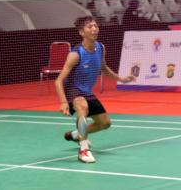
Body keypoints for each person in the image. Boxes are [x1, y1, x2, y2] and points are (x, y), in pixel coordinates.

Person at [55, 17, 135, 163]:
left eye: (95, 26)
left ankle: (76, 134)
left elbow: (103, 68)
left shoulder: (100, 48)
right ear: (81, 32)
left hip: (87, 91)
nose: (94, 29)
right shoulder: (75, 54)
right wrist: (63, 102)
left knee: (105, 124)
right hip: (73, 90)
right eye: (90, 27)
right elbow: (58, 80)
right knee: (82, 107)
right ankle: (83, 150)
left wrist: (121, 79)